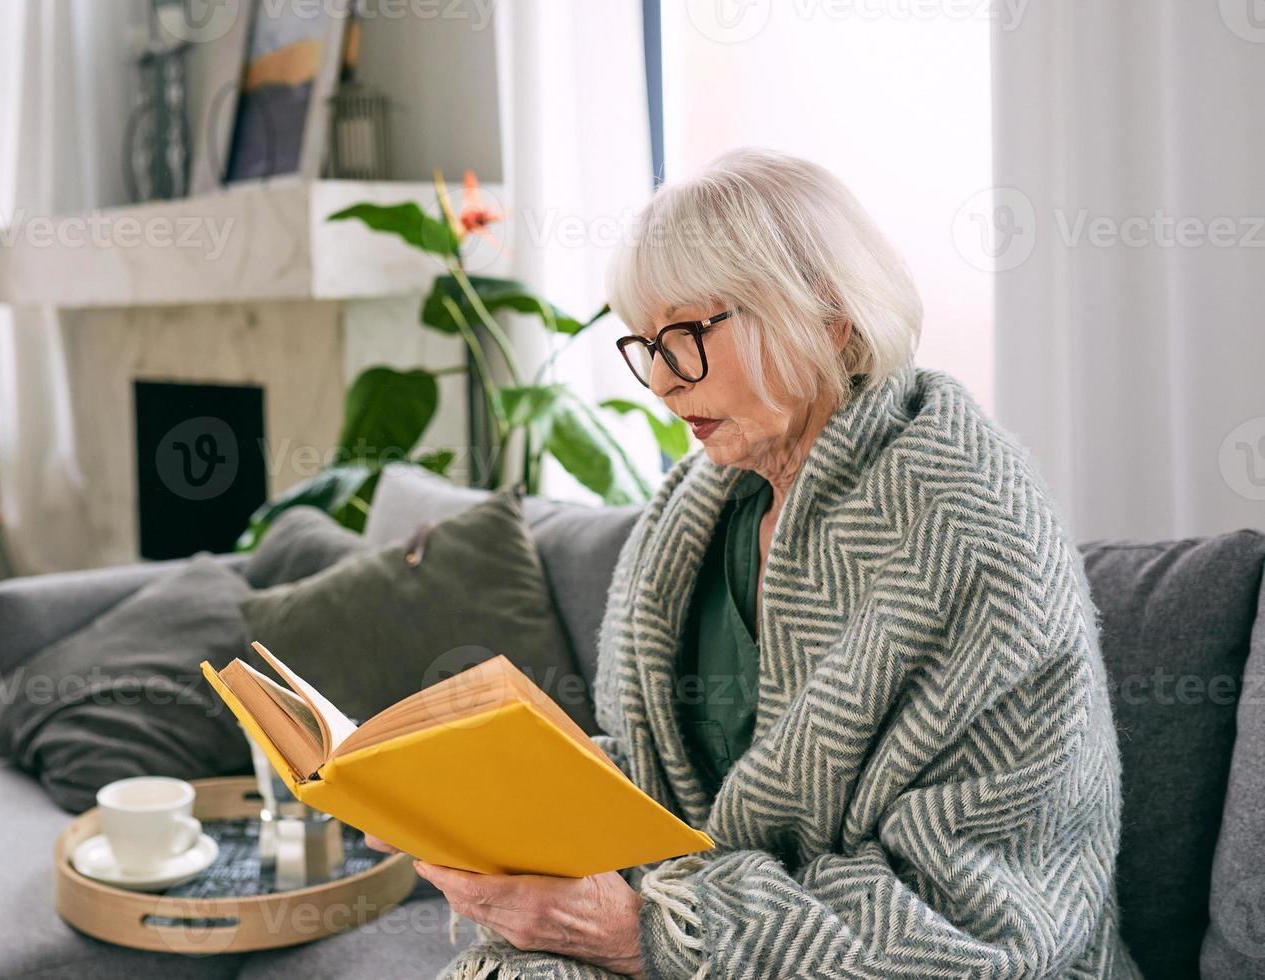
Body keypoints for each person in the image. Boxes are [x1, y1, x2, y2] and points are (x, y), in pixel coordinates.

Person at [371, 147, 1141, 979]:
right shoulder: (695, 511)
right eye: (646, 343)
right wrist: (491, 803)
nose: (661, 382)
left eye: (688, 335)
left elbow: (983, 921)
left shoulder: (973, 532)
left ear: (829, 316)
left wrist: (646, 931)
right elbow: (667, 790)